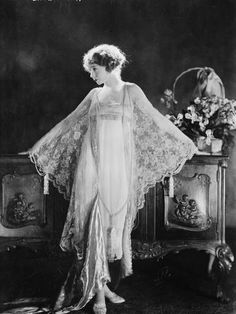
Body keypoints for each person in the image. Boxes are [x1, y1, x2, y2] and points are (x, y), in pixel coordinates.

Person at [29, 44, 197, 314]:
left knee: (111, 229)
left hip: (118, 168)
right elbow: (69, 122)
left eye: (94, 69)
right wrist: (39, 146)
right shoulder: (94, 95)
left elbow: (155, 119)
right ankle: (97, 294)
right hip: (93, 167)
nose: (92, 75)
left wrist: (186, 141)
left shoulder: (131, 91)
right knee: (93, 227)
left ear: (109, 65)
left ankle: (103, 284)